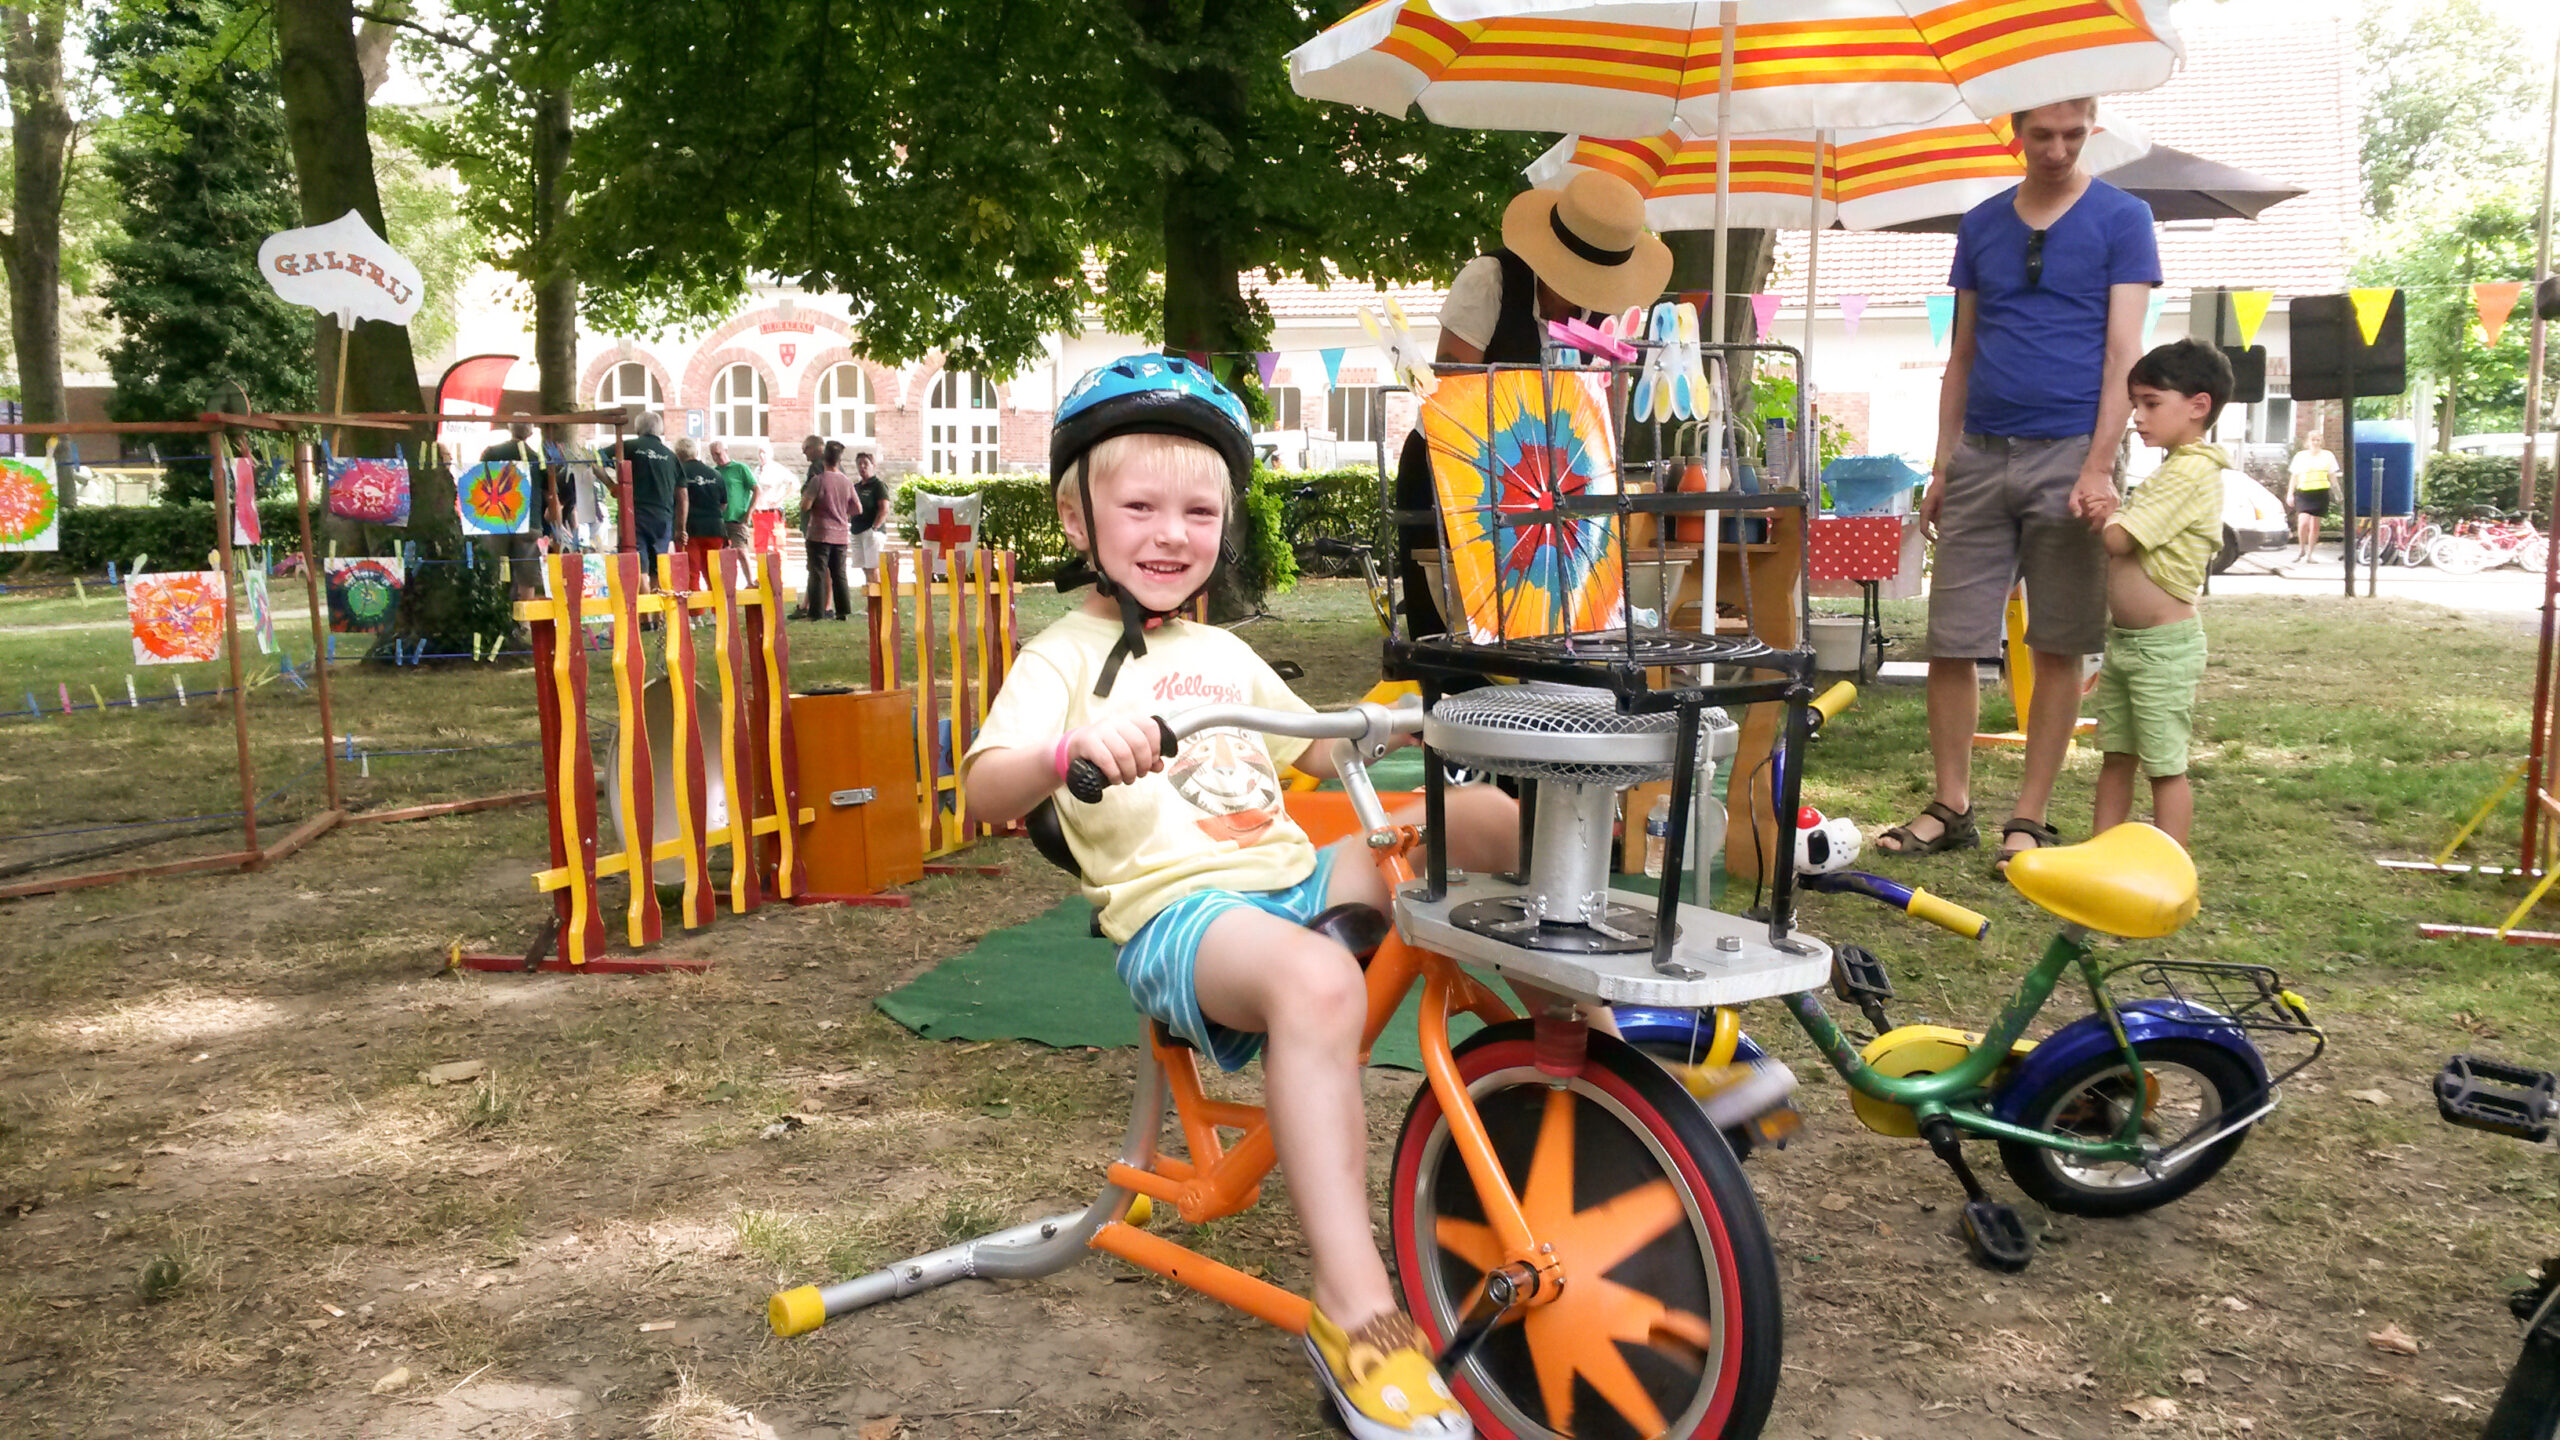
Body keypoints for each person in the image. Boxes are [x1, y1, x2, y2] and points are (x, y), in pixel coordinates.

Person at [960, 354, 1519, 1439]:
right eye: (1140, 507)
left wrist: (1392, 720)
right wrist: (1071, 747)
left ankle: (1592, 1050)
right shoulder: (1062, 657)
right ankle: (1358, 1318)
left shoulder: (1222, 652)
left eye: (1200, 510)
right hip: (1181, 920)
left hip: (1294, 886)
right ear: (1078, 518)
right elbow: (985, 787)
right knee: (1314, 977)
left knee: (1487, 818)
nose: (1172, 533)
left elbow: (1312, 756)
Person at [1876, 97, 2162, 876]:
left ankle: (2030, 816)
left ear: (2092, 128)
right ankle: (1951, 804)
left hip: (2073, 451)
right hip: (1979, 453)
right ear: (2015, 133)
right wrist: (1942, 463)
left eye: (2074, 134)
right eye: (2042, 134)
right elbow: (1963, 352)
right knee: (1953, 639)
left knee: (2059, 638)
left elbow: (2123, 358)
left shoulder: (2124, 218)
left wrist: (2100, 465)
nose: (2059, 148)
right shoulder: (1981, 223)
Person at [1395, 171, 1672, 640]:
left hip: (1553, 490)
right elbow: (1453, 401)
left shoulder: (1611, 317)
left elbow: (1604, 423)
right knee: (1451, 638)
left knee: (1553, 633)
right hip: (1454, 477)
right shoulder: (1491, 281)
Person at [2092, 339, 2231, 846]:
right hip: (2129, 644)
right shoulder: (2174, 468)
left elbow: (2119, 539)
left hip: (2161, 650)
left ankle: (2169, 872)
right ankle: (2101, 860)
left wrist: (2107, 506)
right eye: (2136, 405)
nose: (2139, 417)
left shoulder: (2192, 470)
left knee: (2164, 766)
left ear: (2198, 406)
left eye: (2151, 403)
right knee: (2117, 756)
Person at [480, 416, 550, 598]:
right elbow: (548, 491)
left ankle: (495, 615)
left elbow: (479, 482)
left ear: (509, 428)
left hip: (496, 521)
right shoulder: (537, 458)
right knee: (527, 578)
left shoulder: (492, 453)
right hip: (529, 521)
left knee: (493, 571)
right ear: (531, 432)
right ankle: (524, 624)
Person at [597, 411, 683, 559]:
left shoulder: (628, 447)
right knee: (659, 565)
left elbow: (593, 459)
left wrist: (611, 485)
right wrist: (681, 527)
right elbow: (683, 495)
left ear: (637, 429)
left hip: (634, 515)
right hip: (663, 516)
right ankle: (653, 583)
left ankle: (644, 583)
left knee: (636, 564)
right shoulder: (671, 456)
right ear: (660, 430)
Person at [799, 440, 856, 620]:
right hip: (840, 534)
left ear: (824, 459)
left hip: (819, 532)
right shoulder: (846, 482)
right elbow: (857, 508)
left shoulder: (818, 480)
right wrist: (843, 512)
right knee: (839, 573)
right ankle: (843, 611)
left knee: (818, 572)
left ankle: (816, 612)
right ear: (839, 460)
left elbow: (805, 505)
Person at [674, 436, 728, 587]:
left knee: (691, 572)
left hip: (689, 530)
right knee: (714, 572)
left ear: (677, 454)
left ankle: (695, 610)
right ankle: (717, 608)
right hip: (715, 529)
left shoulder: (677, 472)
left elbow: (675, 501)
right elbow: (724, 504)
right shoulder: (715, 474)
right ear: (696, 451)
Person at [2286, 428, 2336, 565]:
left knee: (2315, 526)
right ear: (2308, 442)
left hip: (2320, 493)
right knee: (2303, 523)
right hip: (2304, 493)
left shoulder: (2328, 455)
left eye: (2318, 440)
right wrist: (2290, 494)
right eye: (2313, 440)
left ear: (2321, 441)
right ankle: (2301, 549)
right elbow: (2294, 476)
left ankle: (2310, 554)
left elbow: (2332, 476)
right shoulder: (2300, 456)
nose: (2316, 442)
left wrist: (2338, 493)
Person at [847, 448, 891, 592]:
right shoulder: (856, 487)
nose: (862, 467)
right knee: (864, 567)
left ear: (873, 465)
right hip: (856, 531)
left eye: (866, 463)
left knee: (873, 567)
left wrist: (875, 527)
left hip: (871, 531)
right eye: (859, 464)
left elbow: (884, 508)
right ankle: (870, 601)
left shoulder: (878, 486)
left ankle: (878, 601)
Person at [710, 439, 758, 553]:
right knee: (723, 554)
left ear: (726, 451)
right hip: (720, 520)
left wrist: (749, 512)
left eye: (718, 454)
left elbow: (756, 490)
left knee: (741, 552)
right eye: (713, 455)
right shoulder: (714, 472)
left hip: (738, 519)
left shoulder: (740, 468)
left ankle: (747, 571)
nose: (716, 458)